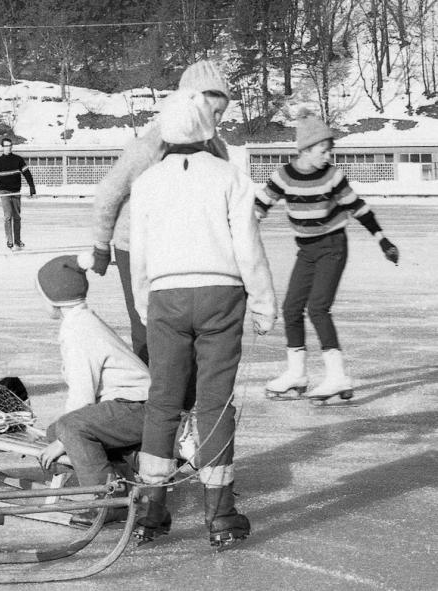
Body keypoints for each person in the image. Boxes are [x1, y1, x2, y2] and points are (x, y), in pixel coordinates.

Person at [130, 89, 276, 548]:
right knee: (214, 403)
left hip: (166, 294)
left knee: (163, 402)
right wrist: (263, 301)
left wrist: (142, 302)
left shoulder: (146, 181)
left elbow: (140, 253)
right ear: (208, 129)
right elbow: (248, 246)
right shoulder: (231, 177)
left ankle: (152, 512)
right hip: (221, 294)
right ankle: (220, 514)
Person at [86, 60, 232, 365]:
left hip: (181, 246)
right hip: (135, 246)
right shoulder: (149, 146)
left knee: (183, 326)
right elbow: (109, 193)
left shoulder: (217, 149)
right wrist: (101, 245)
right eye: (212, 112)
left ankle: (180, 397)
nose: (216, 121)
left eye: (221, 114)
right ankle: (149, 395)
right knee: (147, 323)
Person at [256, 116, 400, 402]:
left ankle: (337, 377)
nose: (328, 155)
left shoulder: (332, 176)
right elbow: (259, 205)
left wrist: (381, 239)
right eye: (323, 150)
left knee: (318, 307)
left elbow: (358, 207)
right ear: (306, 149)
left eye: (329, 150)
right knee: (291, 308)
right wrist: (241, 233)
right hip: (306, 250)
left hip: (332, 246)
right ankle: (297, 375)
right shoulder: (283, 175)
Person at [33, 256, 150, 526]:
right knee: (57, 429)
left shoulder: (78, 331)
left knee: (69, 429)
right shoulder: (81, 320)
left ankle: (107, 503)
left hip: (137, 407)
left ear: (53, 298)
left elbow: (82, 396)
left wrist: (64, 439)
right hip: (128, 405)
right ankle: (122, 473)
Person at [0, 138, 37, 250]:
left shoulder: (18, 160)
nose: (8, 148)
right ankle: (10, 240)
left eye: (9, 145)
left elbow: (27, 174)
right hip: (4, 192)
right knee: (8, 216)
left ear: (11, 146)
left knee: (17, 217)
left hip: (16, 191)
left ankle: (17, 241)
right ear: (2, 147)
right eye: (6, 146)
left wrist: (32, 187)